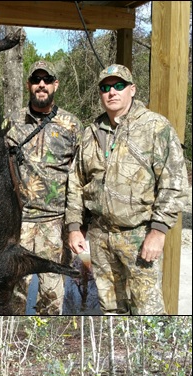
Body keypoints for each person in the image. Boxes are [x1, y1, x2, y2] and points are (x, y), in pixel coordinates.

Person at [64, 64, 189, 314]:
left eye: (119, 85)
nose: (112, 92)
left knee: (148, 312)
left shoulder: (155, 128)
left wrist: (158, 232)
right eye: (105, 87)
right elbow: (76, 183)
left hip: (139, 236)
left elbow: (174, 184)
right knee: (111, 311)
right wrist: (75, 228)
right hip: (100, 238)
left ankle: (157, 353)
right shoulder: (91, 133)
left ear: (132, 89)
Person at [3, 60, 81, 314]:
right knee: (14, 295)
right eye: (36, 80)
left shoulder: (72, 125)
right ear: (29, 84)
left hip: (55, 225)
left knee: (51, 299)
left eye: (47, 80)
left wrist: (76, 226)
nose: (41, 85)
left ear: (55, 84)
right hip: (18, 224)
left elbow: (80, 178)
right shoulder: (11, 123)